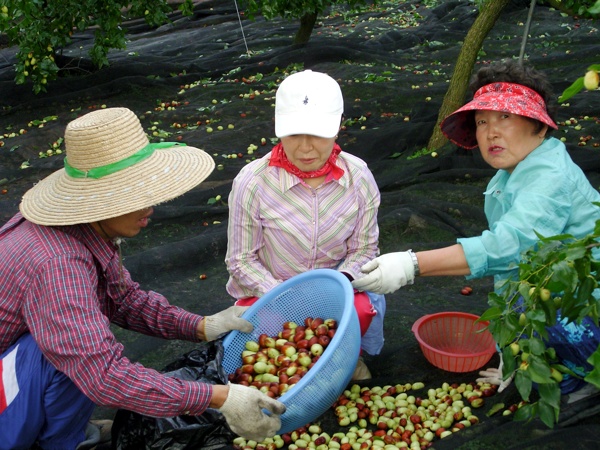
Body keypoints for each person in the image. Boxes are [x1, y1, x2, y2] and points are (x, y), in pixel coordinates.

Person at [0, 107, 285, 450]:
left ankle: (65, 430)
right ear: (99, 199)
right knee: (68, 351)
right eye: (134, 195)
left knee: (70, 337)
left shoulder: (86, 230)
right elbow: (102, 375)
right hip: (15, 371)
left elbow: (123, 300)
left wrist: (203, 325)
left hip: (17, 360)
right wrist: (220, 397)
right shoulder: (58, 263)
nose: (151, 204)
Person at [351, 59, 600, 398]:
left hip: (588, 303)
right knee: (525, 298)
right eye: (482, 121)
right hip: (556, 288)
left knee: (542, 303)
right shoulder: (511, 174)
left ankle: (583, 375)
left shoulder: (550, 177)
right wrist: (515, 355)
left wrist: (412, 264)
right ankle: (557, 368)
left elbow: (509, 247)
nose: (490, 131)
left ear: (540, 127)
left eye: (505, 118)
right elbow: (514, 270)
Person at [224, 70, 385, 380]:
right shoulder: (253, 182)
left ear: (338, 127)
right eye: (294, 133)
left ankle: (345, 355)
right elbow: (241, 260)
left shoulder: (358, 177)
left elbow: (365, 249)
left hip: (335, 287)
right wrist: (285, 296)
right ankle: (314, 363)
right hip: (271, 292)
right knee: (265, 336)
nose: (306, 147)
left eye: (318, 133)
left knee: (361, 310)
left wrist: (334, 288)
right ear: (278, 129)